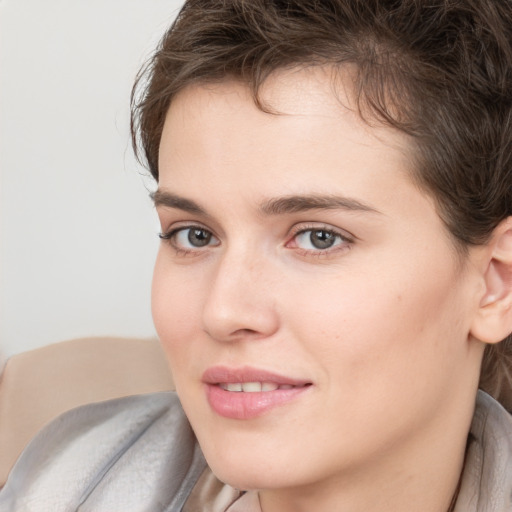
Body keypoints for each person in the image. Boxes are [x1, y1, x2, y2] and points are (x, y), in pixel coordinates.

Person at [1, 0, 511, 510]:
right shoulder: (58, 479)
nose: (222, 312)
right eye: (194, 235)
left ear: (495, 282)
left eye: (318, 237)